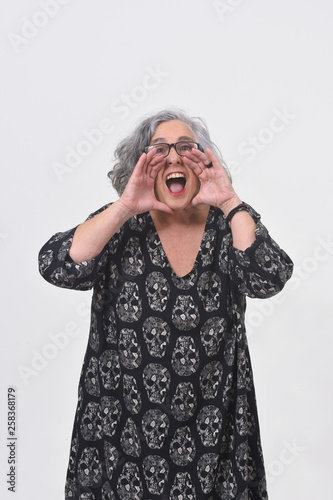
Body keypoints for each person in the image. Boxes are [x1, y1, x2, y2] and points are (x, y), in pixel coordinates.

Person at [38, 108, 293, 500]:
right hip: (119, 438)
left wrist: (229, 201)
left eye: (186, 148)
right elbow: (56, 265)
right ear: (142, 165)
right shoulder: (120, 224)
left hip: (218, 438)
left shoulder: (229, 224)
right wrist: (124, 206)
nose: (174, 157)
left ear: (203, 162)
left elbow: (269, 277)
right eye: (159, 150)